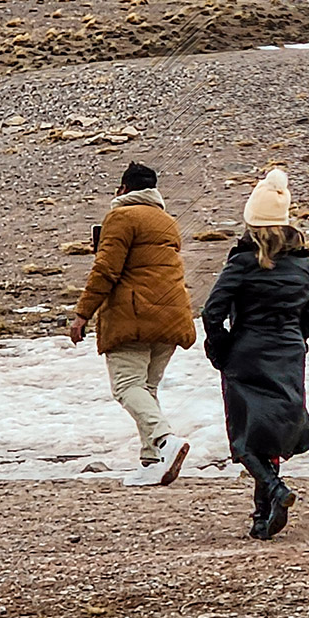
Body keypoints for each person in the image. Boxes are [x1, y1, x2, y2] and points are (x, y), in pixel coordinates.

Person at [201, 168, 309, 540]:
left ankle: (274, 490)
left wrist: (220, 348)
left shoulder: (242, 262)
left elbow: (211, 312)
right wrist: (294, 339)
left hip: (247, 353)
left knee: (244, 437)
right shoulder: (302, 264)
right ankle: (262, 516)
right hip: (288, 353)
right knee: (269, 432)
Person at [70, 161, 195, 487]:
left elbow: (106, 270)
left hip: (134, 316)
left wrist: (83, 313)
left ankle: (165, 440)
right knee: (147, 389)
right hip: (171, 316)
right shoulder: (167, 221)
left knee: (126, 387)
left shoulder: (121, 216)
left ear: (124, 189)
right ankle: (152, 461)